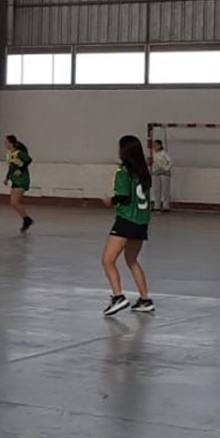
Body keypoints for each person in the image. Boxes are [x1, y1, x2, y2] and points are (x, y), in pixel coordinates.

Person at [101, 134, 155, 317]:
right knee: (131, 260)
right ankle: (145, 299)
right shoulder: (144, 172)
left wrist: (111, 200)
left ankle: (118, 297)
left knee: (108, 260)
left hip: (126, 220)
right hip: (142, 221)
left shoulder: (123, 171)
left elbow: (124, 197)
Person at [5, 135, 34, 232]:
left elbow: (29, 160)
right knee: (13, 203)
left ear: (11, 143)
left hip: (22, 179)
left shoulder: (19, 153)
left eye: (6, 142)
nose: (5, 144)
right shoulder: (10, 154)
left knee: (14, 202)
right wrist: (7, 178)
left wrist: (21, 169)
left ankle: (27, 220)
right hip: (15, 179)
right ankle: (26, 219)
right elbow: (11, 167)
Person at [151, 139, 173, 212]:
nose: (154, 146)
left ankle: (166, 206)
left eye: (156, 145)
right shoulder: (153, 154)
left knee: (165, 190)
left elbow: (170, 162)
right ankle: (156, 205)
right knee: (156, 190)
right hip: (156, 172)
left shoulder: (164, 153)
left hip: (164, 173)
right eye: (154, 145)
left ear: (160, 145)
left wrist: (166, 169)